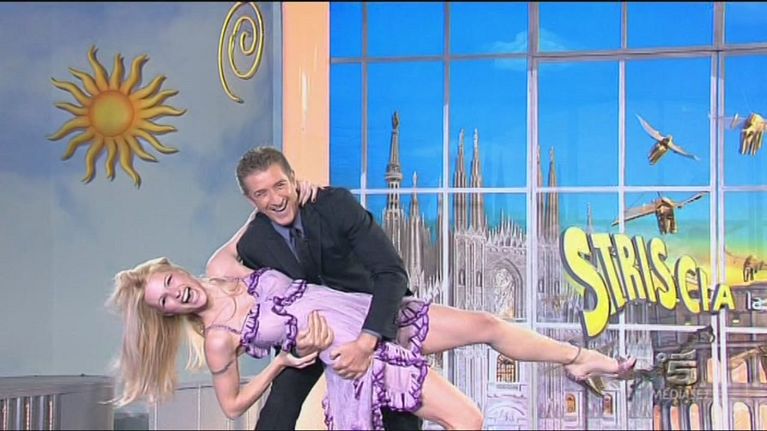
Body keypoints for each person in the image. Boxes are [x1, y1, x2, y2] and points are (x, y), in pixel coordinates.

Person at [108, 256, 637, 430]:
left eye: (169, 283)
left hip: (376, 314)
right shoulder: (219, 340)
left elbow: (263, 202)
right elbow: (231, 406)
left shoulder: (225, 266)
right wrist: (283, 363)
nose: (176, 294)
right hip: (363, 357)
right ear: (167, 314)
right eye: (165, 302)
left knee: (487, 324)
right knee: (469, 420)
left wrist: (303, 194)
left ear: (175, 268)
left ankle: (580, 359)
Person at [207, 146, 422, 430]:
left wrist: (366, 341)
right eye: (261, 193)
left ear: (294, 179)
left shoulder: (333, 205)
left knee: (396, 410)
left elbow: (391, 272)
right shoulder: (255, 241)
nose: (276, 199)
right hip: (308, 336)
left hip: (366, 322)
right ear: (250, 200)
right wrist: (255, 218)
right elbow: (216, 267)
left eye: (280, 185)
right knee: (275, 417)